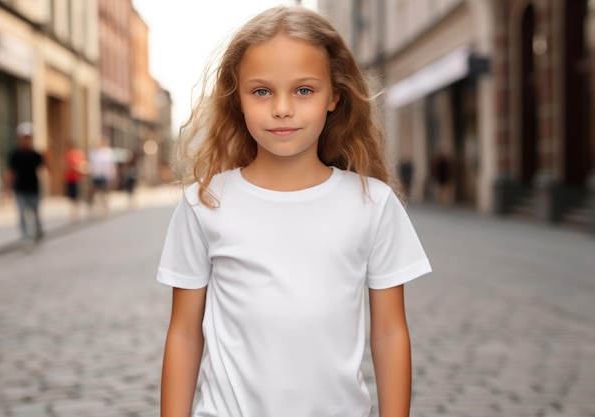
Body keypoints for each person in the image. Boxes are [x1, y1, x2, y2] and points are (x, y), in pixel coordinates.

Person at [157, 6, 432, 417]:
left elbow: (390, 332)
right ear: (238, 97)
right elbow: (184, 332)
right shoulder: (205, 203)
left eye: (304, 90)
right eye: (262, 91)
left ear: (334, 96)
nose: (282, 108)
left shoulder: (372, 204)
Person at [5, 122, 46, 241]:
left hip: (33, 189)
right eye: (24, 137)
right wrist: (7, 188)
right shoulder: (15, 154)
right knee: (22, 213)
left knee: (35, 213)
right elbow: (10, 172)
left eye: (28, 137)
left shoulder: (36, 154)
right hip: (20, 189)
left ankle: (38, 232)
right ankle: (25, 236)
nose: (26, 140)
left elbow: (45, 169)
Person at [88, 139, 116, 216]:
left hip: (105, 175)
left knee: (104, 193)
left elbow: (112, 165)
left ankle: (104, 207)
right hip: (96, 175)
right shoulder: (94, 153)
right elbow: (92, 164)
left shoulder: (109, 153)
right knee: (96, 192)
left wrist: (113, 176)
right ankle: (96, 207)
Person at [63, 140, 86, 222]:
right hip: (69, 178)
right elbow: (65, 166)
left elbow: (81, 165)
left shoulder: (78, 154)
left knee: (76, 196)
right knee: (71, 197)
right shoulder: (67, 154)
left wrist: (75, 167)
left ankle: (76, 213)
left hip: (76, 178)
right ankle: (73, 212)